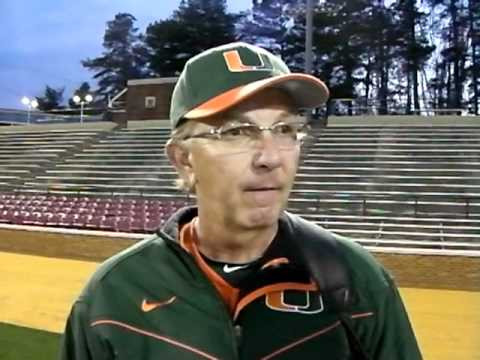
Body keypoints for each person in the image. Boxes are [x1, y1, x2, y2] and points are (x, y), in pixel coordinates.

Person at [59, 42, 422, 359]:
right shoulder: (112, 296)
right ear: (184, 159)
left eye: (285, 130)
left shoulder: (357, 279)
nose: (270, 157)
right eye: (236, 131)